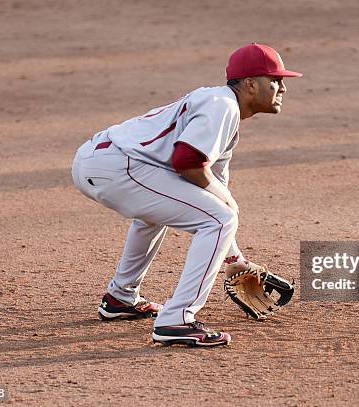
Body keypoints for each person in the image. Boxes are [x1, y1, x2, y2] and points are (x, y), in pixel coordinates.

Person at [71, 43, 302, 347]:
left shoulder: (223, 112)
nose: (282, 87)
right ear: (250, 84)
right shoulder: (223, 106)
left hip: (106, 162)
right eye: (275, 80)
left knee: (166, 213)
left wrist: (235, 259)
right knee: (220, 218)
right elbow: (188, 164)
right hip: (118, 167)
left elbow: (208, 188)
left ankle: (120, 298)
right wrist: (229, 204)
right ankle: (176, 319)